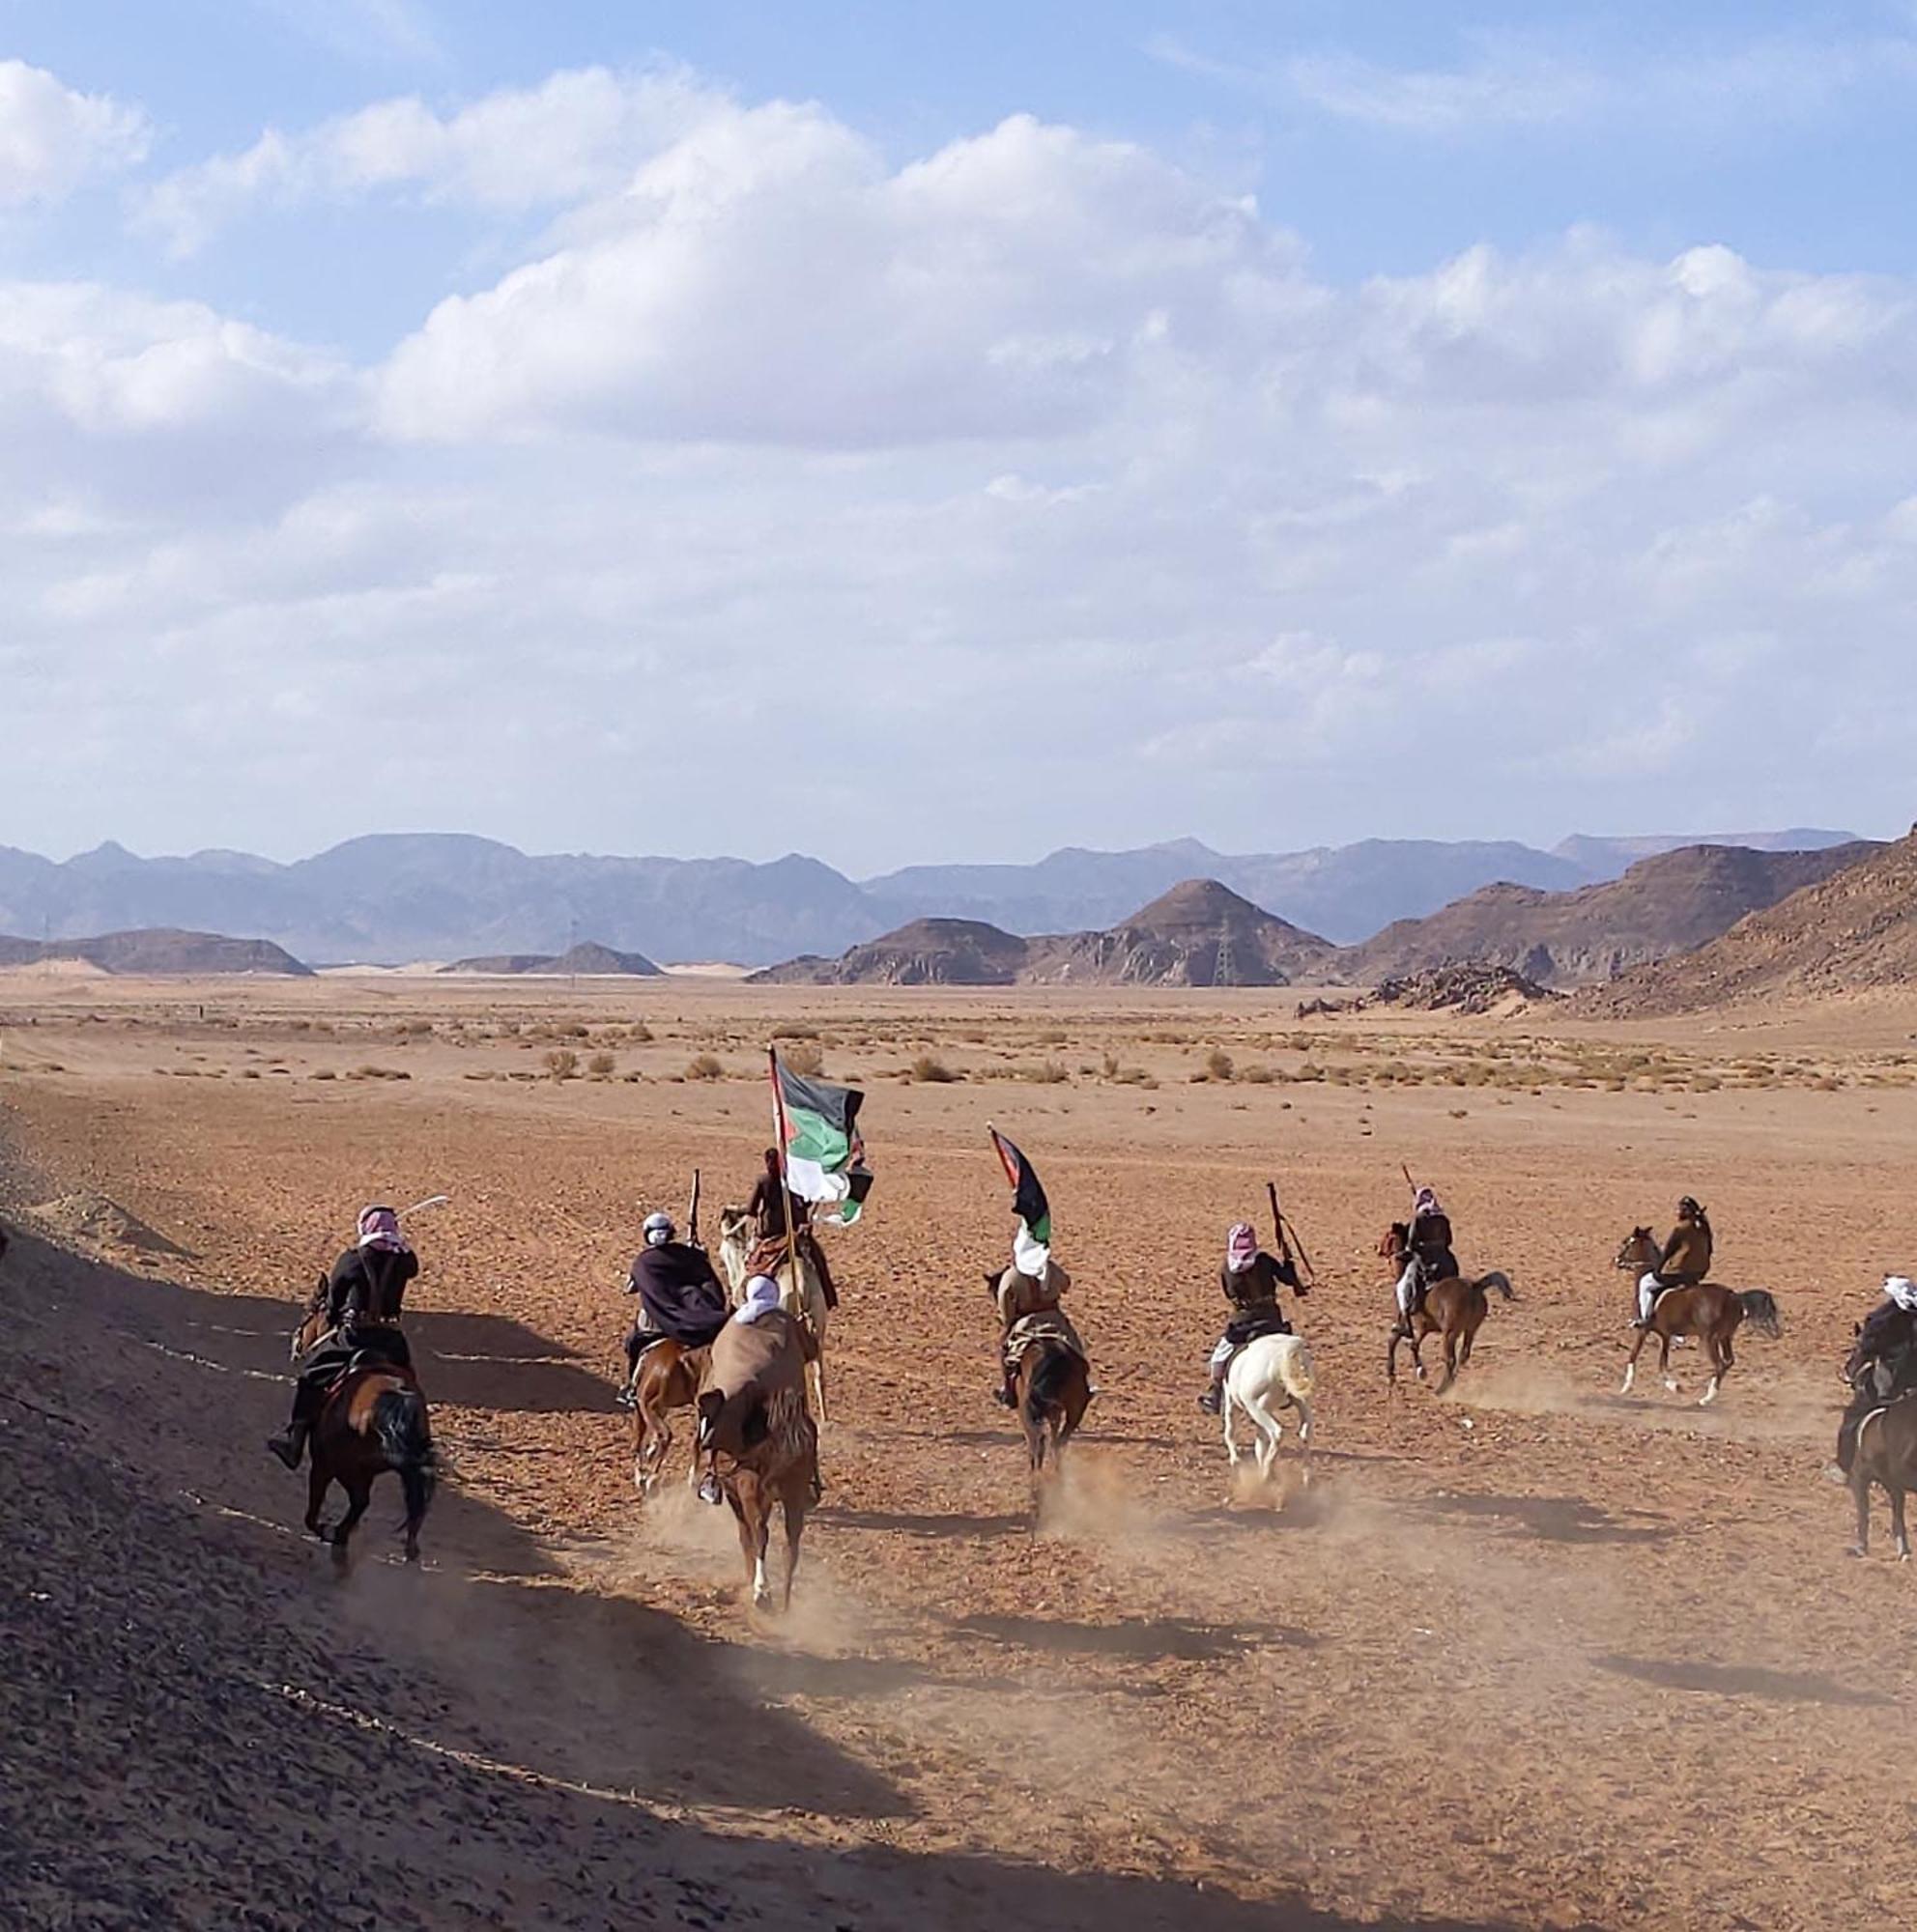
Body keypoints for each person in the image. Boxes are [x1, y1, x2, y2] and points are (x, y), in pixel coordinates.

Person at [267, 1205, 419, 1469]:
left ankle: (294, 1440)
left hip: (355, 1336)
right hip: (392, 1340)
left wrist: (338, 1317)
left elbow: (334, 1302)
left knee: (311, 1377)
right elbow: (410, 1264)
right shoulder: (405, 1260)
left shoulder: (351, 1260)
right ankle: (414, 1443)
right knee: (410, 1384)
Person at [694, 1271, 817, 1505]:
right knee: (806, 1427)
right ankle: (809, 1480)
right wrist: (804, 1328)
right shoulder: (786, 1320)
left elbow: (718, 1354)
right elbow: (810, 1351)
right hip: (779, 1391)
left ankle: (710, 1475)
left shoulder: (733, 1323)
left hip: (740, 1388)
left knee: (713, 1416)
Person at [619, 1209, 729, 1406]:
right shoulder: (688, 1254)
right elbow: (702, 1274)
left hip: (659, 1320)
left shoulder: (643, 1262)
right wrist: (696, 1253)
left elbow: (629, 1288)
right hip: (697, 1311)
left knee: (633, 1342)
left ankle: (633, 1388)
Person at [1199, 1221, 1304, 1413]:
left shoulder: (1226, 1267)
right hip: (1271, 1320)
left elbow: (1228, 1292)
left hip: (1242, 1323)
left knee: (1219, 1357)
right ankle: (1294, 1387)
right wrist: (1288, 1263)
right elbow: (1288, 1279)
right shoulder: (1264, 1260)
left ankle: (1215, 1394)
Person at [1834, 1275, 1917, 1476]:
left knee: (1854, 1415)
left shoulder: (1885, 1321)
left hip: (1893, 1379)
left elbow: (1869, 1346)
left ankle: (1844, 1466)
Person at [991, 1249, 1086, 1408]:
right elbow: (1066, 1284)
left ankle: (1008, 1392)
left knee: (1006, 1352)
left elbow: (1004, 1301)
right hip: (1054, 1319)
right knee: (1075, 1346)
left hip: (1026, 1322)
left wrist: (1008, 1322)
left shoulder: (1011, 1275)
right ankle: (1084, 1386)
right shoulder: (1049, 1268)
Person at [746, 1148, 839, 1310]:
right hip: (796, 1233)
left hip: (770, 1235)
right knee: (818, 1261)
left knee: (748, 1267)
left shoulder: (763, 1181)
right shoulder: (794, 1182)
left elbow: (751, 1209)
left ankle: (738, 1305)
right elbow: (806, 1201)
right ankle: (829, 1297)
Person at [1634, 1196, 1713, 1328]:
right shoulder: (1704, 1229)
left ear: (1686, 1212)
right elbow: (1710, 1250)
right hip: (1699, 1272)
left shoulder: (1681, 1229)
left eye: (1679, 1209)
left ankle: (1645, 1318)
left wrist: (1658, 1269)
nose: (1677, 1212)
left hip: (1680, 1272)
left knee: (1646, 1283)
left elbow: (1668, 1252)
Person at [1393, 1185, 1457, 1325]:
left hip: (1426, 1261)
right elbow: (1449, 1241)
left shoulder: (1419, 1219)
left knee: (1405, 1283)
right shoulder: (1443, 1219)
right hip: (1446, 1259)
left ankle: (1405, 1317)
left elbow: (1412, 1244)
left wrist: (1408, 1251)